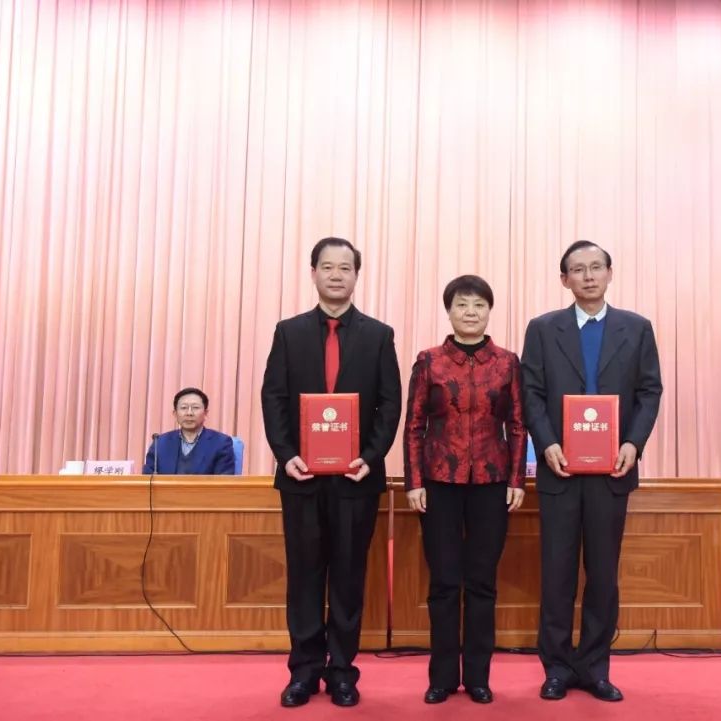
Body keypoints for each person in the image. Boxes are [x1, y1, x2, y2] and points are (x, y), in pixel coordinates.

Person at [261, 237, 401, 708]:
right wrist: (286, 454)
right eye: (328, 267)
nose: (336, 275)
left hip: (355, 480)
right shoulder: (289, 332)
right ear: (313, 273)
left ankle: (342, 671)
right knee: (304, 577)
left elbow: (390, 404)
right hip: (301, 478)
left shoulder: (379, 335)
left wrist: (371, 456)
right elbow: (273, 398)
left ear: (356, 275)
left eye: (345, 267)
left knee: (347, 577)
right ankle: (303, 672)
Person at [521, 240, 662, 703]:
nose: (588, 276)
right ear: (564, 279)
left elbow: (649, 391)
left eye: (596, 267)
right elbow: (531, 392)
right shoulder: (543, 329)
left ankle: (595, 667)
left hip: (612, 470)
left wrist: (633, 443)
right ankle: (557, 668)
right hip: (560, 469)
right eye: (578, 270)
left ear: (609, 273)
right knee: (557, 574)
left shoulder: (636, 328)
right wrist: (547, 443)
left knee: (602, 575)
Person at [403, 275, 527, 705]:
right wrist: (413, 482)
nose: (470, 312)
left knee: (482, 583)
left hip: (491, 484)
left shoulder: (507, 363)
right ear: (449, 311)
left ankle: (477, 677)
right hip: (439, 483)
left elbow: (517, 425)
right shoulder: (430, 361)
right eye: (462, 304)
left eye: (478, 305)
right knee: (443, 583)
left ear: (489, 311)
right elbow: (414, 425)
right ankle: (441, 677)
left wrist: (516, 479)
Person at [142, 387, 236, 475]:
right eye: (184, 408)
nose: (189, 413)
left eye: (195, 408)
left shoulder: (221, 443)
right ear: (175, 414)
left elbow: (223, 482)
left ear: (205, 413)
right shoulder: (160, 443)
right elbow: (147, 479)